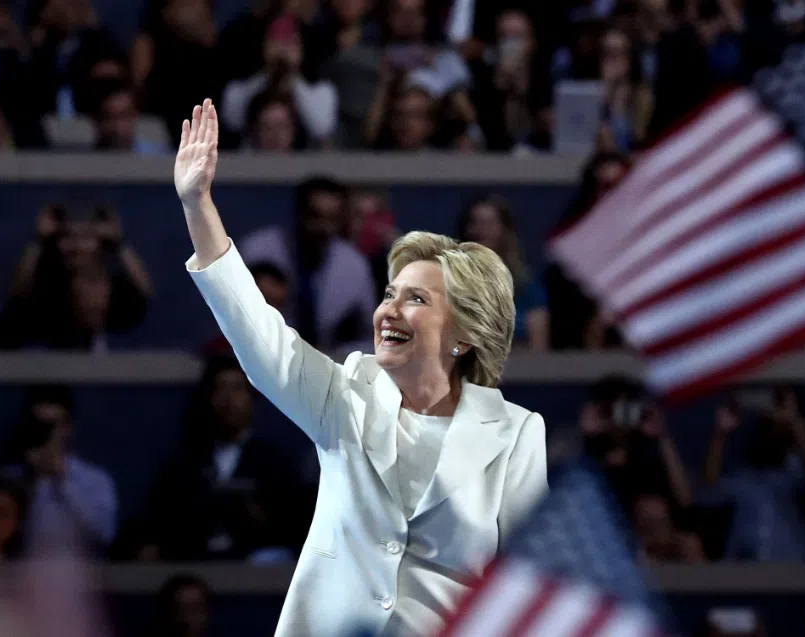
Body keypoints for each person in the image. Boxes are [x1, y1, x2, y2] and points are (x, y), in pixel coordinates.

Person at [172, 100, 549, 637]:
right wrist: (197, 204)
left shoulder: (516, 435)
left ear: (464, 335)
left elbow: (527, 584)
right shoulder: (349, 394)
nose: (388, 311)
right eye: (389, 294)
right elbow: (259, 336)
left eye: (415, 299)